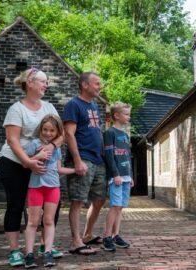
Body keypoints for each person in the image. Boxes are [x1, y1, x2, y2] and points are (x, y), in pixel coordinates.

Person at [0, 68, 63, 267]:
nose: (46, 85)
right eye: (43, 81)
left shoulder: (49, 107)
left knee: (52, 205)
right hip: (14, 163)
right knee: (15, 205)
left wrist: (50, 146)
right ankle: (15, 251)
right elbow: (12, 139)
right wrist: (28, 162)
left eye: (47, 82)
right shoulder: (16, 109)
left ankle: (45, 245)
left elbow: (61, 134)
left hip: (42, 164)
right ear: (30, 82)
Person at [22, 115, 75, 268]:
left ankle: (48, 251)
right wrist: (37, 156)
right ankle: (29, 254)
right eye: (45, 129)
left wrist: (75, 170)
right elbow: (25, 164)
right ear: (41, 129)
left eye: (52, 130)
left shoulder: (56, 149)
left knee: (49, 221)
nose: (48, 133)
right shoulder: (33, 144)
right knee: (32, 222)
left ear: (57, 132)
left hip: (53, 188)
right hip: (36, 188)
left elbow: (58, 169)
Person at [63, 72, 106, 255]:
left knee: (99, 199)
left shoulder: (95, 105)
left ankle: (87, 234)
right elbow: (69, 134)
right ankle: (76, 242)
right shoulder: (74, 105)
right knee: (78, 201)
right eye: (96, 83)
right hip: (82, 159)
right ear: (84, 85)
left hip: (98, 159)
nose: (99, 87)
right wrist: (78, 160)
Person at [102, 102, 134, 252]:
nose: (129, 117)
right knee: (114, 206)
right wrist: (115, 175)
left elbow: (127, 156)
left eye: (129, 114)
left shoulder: (125, 135)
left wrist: (130, 175)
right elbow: (109, 156)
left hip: (126, 176)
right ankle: (106, 237)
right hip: (116, 177)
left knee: (120, 207)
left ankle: (116, 235)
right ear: (116, 115)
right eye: (126, 114)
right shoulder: (110, 133)